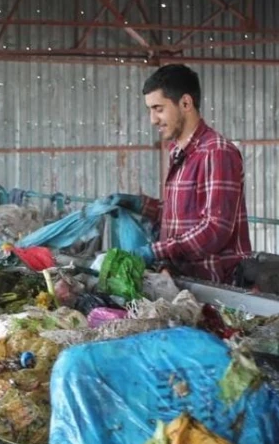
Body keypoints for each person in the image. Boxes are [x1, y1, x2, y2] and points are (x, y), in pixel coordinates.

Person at [106, 64, 252, 283]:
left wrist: (155, 251)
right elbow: (184, 215)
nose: (153, 120)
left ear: (185, 103)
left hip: (215, 286)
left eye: (158, 108)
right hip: (184, 280)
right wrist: (141, 205)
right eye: (150, 110)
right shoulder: (178, 151)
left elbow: (215, 229)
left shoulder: (216, 152)